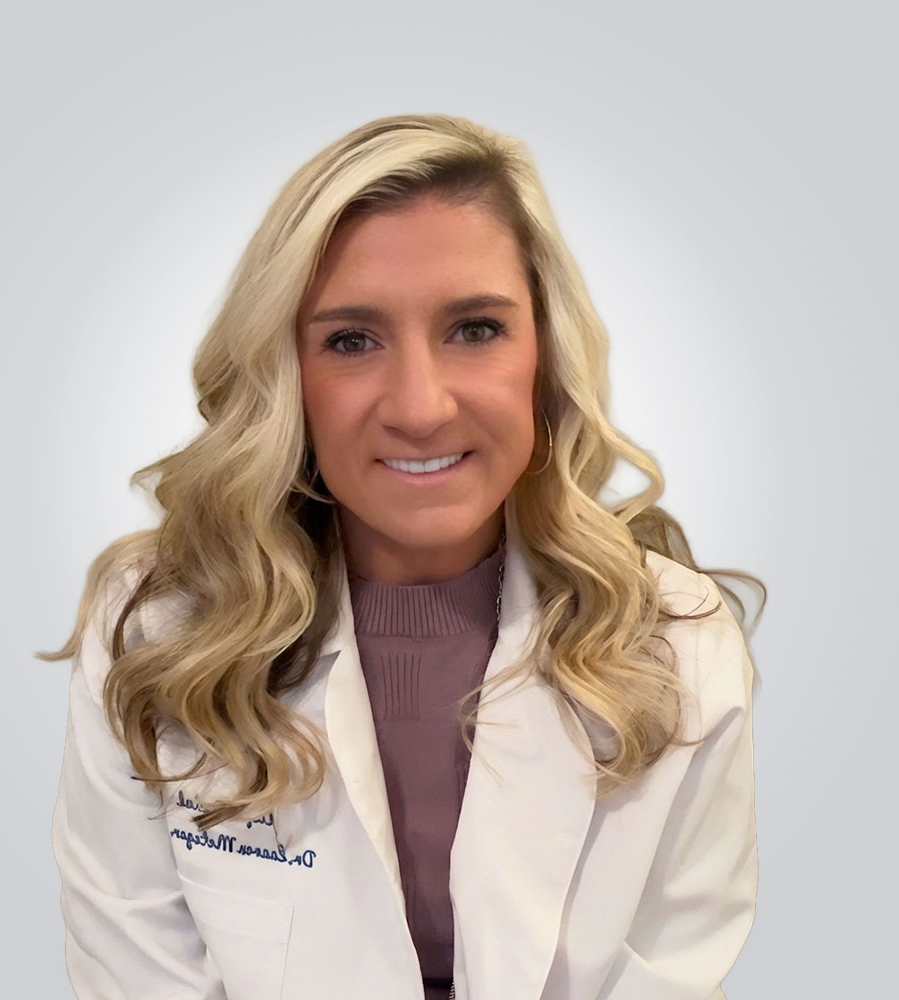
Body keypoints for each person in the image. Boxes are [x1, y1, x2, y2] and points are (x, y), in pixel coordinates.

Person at [40, 112, 766, 1000]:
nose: (420, 407)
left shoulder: (677, 640)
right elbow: (134, 969)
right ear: (285, 378)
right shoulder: (155, 629)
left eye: (475, 329)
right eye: (351, 341)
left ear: (546, 356)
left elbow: (669, 972)